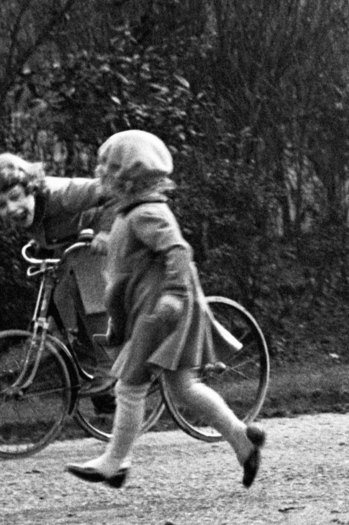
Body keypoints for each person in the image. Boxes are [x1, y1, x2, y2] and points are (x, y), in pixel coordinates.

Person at [66, 130, 266, 489]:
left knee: (129, 388)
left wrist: (174, 294)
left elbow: (178, 251)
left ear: (127, 179)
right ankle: (241, 439)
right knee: (185, 387)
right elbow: (136, 260)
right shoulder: (133, 216)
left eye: (106, 174)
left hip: (161, 313)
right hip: (156, 311)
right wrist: (108, 245)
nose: (101, 180)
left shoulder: (146, 213)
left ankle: (115, 461)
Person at [0, 152, 115, 396]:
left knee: (90, 295)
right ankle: (106, 391)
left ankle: (110, 370)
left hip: (106, 240)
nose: (11, 208)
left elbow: (113, 192)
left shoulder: (61, 195)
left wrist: (104, 231)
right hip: (75, 249)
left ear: (31, 188)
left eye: (15, 197)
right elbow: (53, 229)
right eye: (1, 205)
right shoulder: (27, 213)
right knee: (62, 307)